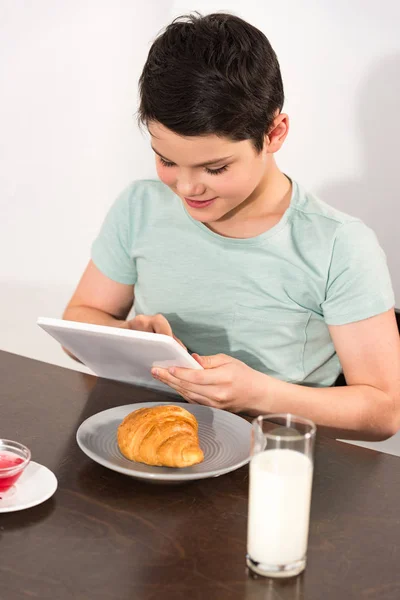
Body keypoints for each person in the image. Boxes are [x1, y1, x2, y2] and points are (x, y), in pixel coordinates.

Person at [63, 12, 400, 440]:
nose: (185, 187)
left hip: (275, 462)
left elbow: (385, 411)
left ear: (274, 133)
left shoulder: (338, 245)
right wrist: (127, 336)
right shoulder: (140, 206)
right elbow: (78, 319)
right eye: (166, 160)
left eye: (215, 167)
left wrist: (260, 393)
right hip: (156, 443)